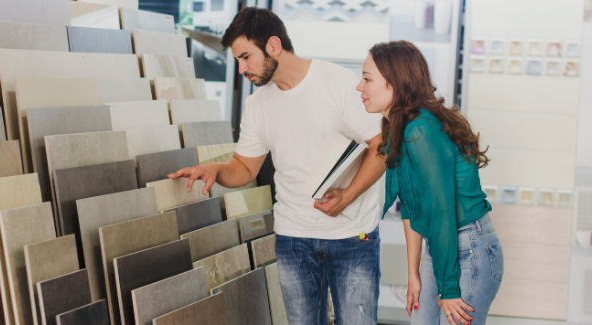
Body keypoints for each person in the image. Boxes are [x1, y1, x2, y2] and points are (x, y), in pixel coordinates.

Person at [169, 7, 386, 325]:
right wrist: (216, 170)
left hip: (352, 236)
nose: (241, 69)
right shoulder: (257, 104)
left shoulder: (339, 84)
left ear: (273, 45)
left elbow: (381, 146)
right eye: (237, 61)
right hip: (292, 238)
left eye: (245, 57)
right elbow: (244, 168)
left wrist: (348, 195)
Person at [356, 40, 503, 325]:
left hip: (469, 248)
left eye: (366, 79)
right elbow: (412, 206)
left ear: (394, 83)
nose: (359, 87)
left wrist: (448, 287)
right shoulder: (398, 126)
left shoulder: (420, 129)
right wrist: (414, 274)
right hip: (439, 247)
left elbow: (441, 210)